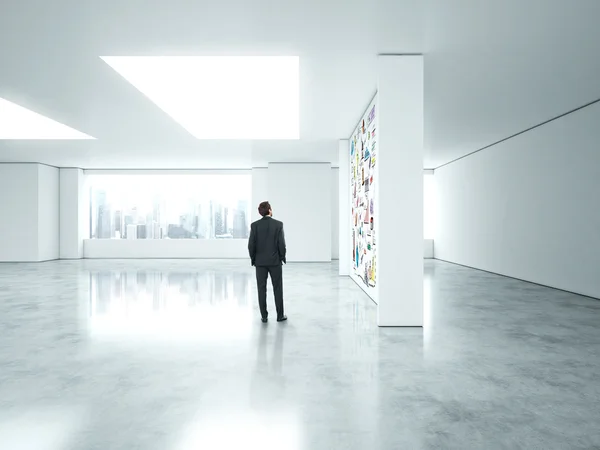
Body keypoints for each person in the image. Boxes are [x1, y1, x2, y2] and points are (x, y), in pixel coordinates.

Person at [248, 201, 287, 323]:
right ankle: (280, 316)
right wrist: (282, 257)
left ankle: (264, 316)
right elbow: (282, 245)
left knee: (261, 289)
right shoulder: (278, 224)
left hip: (260, 263)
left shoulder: (254, 226)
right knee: (278, 288)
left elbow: (251, 246)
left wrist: (253, 259)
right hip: (275, 262)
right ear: (270, 210)